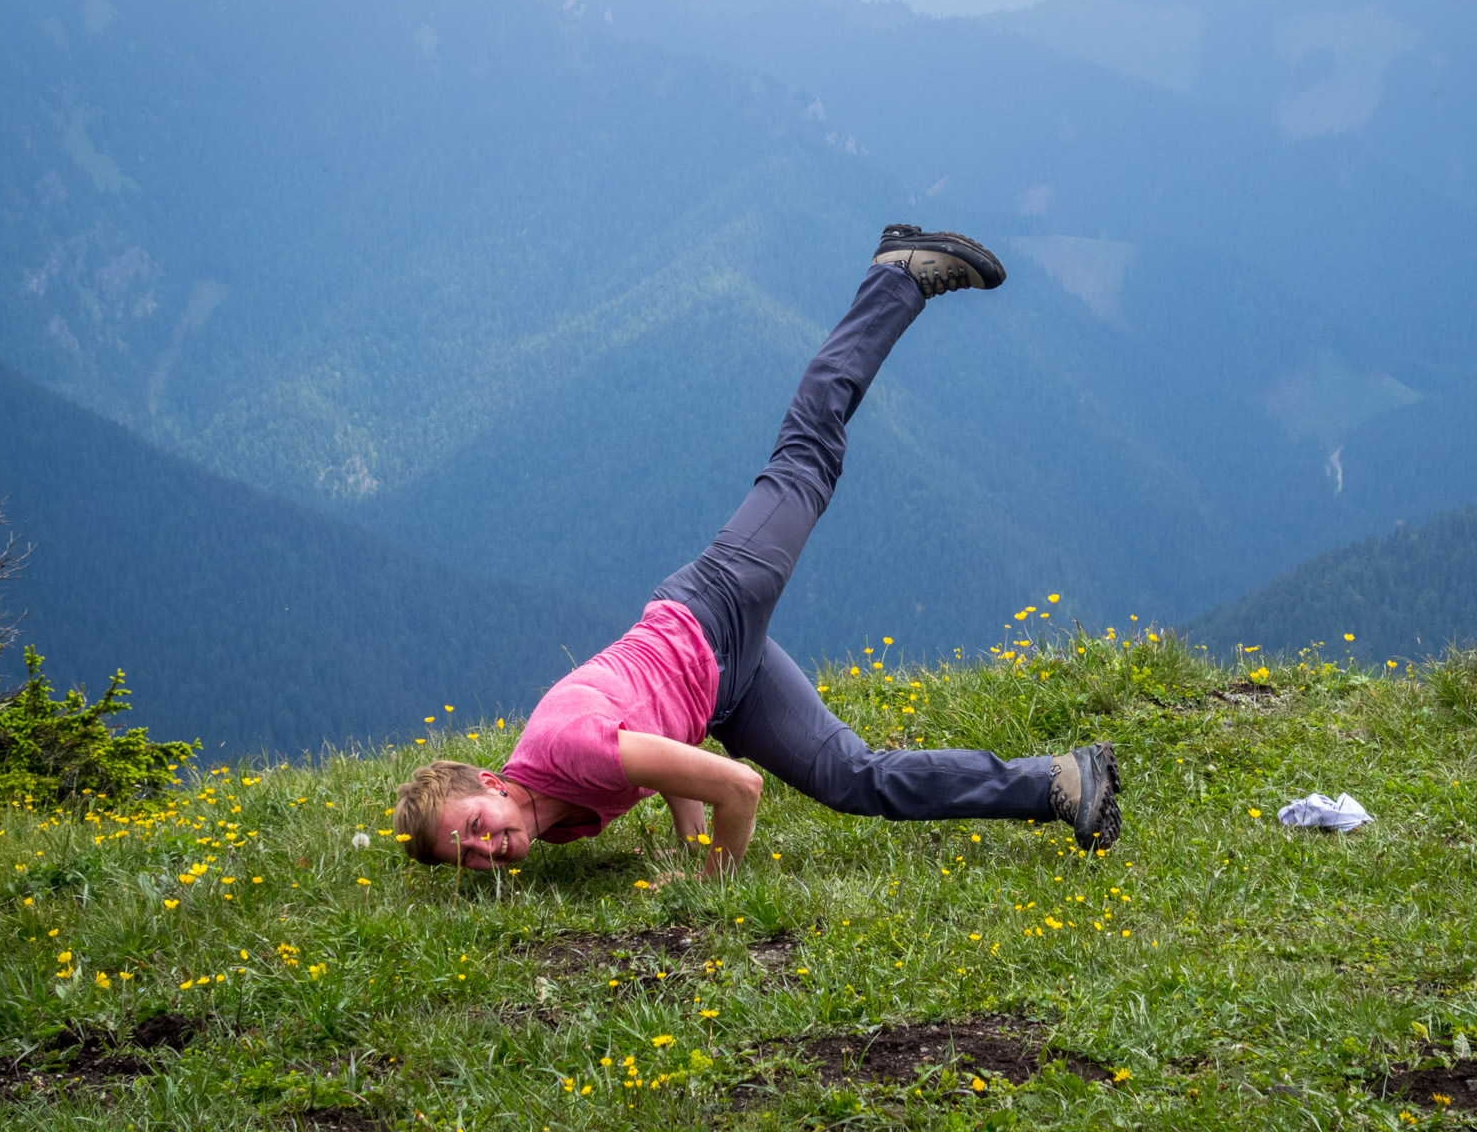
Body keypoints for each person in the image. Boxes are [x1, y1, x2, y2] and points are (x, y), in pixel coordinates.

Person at [392, 226, 1122, 877]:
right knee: (851, 777)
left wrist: (714, 883)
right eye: (468, 857)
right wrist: (688, 842)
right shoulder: (551, 814)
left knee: (806, 456)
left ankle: (897, 277)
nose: (487, 850)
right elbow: (656, 746)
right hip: (721, 688)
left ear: (490, 785)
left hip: (714, 610)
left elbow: (737, 786)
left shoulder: (566, 750)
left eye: (476, 830)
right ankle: (1060, 782)